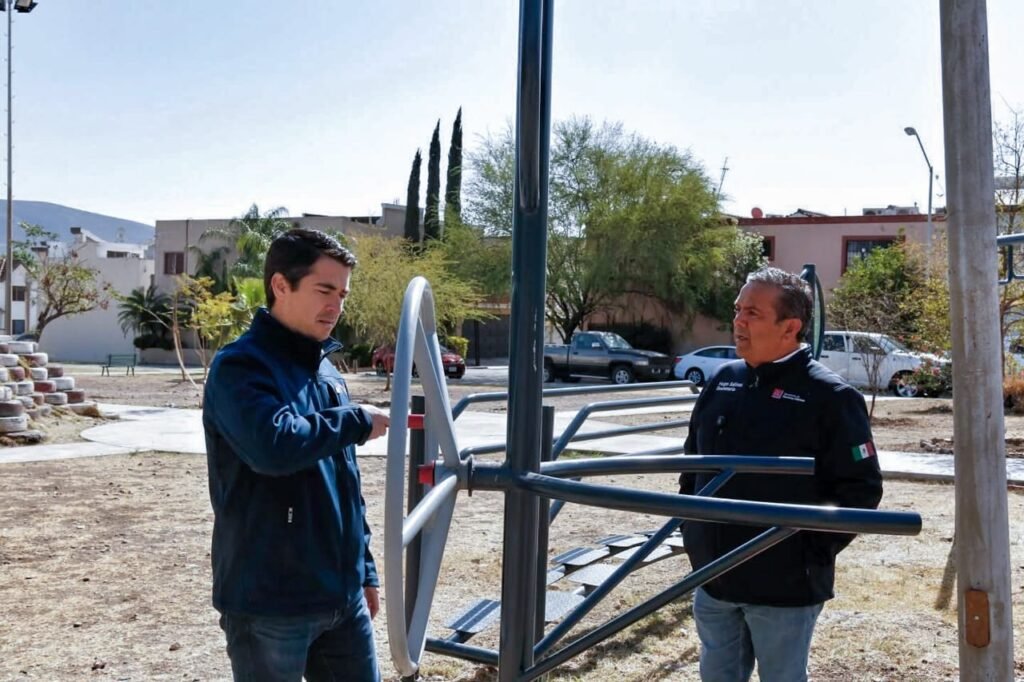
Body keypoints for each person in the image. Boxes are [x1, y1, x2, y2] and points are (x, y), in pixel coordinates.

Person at [203, 227, 390, 682]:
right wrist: (357, 420)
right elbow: (274, 446)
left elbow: (345, 482)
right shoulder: (240, 367)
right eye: (324, 290)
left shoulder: (325, 369)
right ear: (280, 285)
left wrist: (364, 569)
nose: (336, 306)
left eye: (342, 294)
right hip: (270, 603)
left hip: (342, 596)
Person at [680, 267, 883, 682]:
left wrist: (808, 553)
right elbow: (692, 464)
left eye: (753, 313)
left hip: (783, 588)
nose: (738, 321)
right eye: (738, 309)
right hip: (714, 579)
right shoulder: (723, 381)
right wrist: (692, 532)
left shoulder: (830, 397)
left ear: (790, 327)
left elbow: (860, 490)